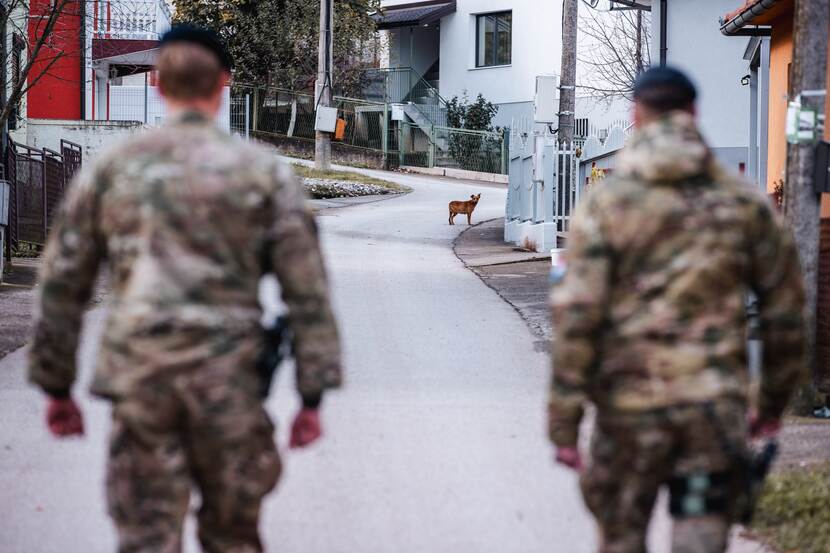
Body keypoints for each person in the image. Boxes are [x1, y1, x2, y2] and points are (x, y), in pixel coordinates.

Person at [28, 24, 342, 553]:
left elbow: (63, 281)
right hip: (231, 385)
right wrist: (312, 396)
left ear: (156, 83)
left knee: (146, 538)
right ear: (224, 82)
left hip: (143, 383)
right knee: (233, 536)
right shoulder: (262, 174)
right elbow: (307, 291)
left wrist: (56, 385)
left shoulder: (113, 169)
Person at [548, 66, 806, 553]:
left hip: (626, 418)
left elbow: (576, 317)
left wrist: (564, 423)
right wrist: (770, 405)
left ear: (635, 116)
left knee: (621, 541)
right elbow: (785, 314)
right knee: (701, 542)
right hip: (711, 418)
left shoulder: (605, 206)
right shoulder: (744, 205)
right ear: (694, 113)